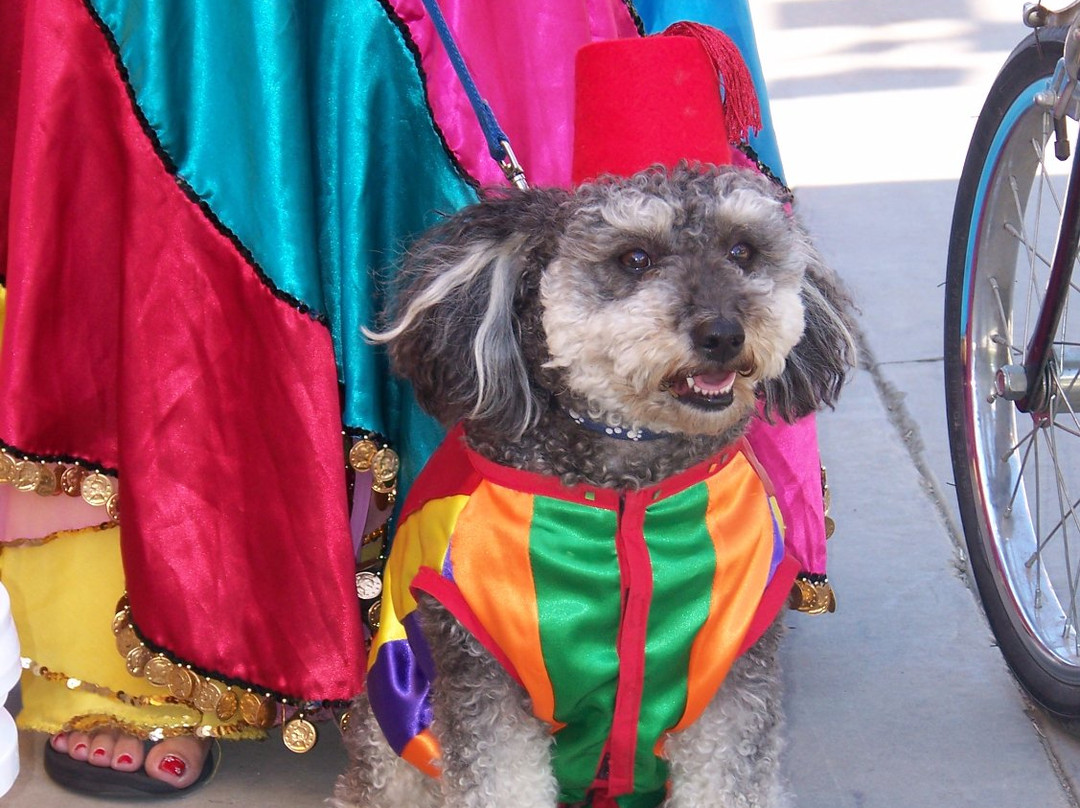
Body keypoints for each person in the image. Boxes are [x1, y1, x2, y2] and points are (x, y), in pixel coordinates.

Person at [0, 0, 833, 797]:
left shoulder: (736, 515)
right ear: (531, 282)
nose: (718, 320)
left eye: (741, 255)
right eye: (635, 265)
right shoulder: (482, 526)